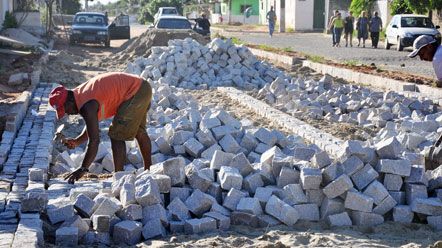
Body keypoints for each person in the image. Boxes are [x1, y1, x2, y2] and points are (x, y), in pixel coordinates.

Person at [49, 72, 153, 184]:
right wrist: (77, 141)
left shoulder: (87, 105)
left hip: (135, 92)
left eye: (65, 110)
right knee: (139, 131)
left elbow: (94, 141)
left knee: (116, 135)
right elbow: (91, 126)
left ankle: (119, 178)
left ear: (69, 101)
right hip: (142, 87)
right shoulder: (79, 95)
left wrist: (83, 168)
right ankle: (149, 171)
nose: (67, 114)